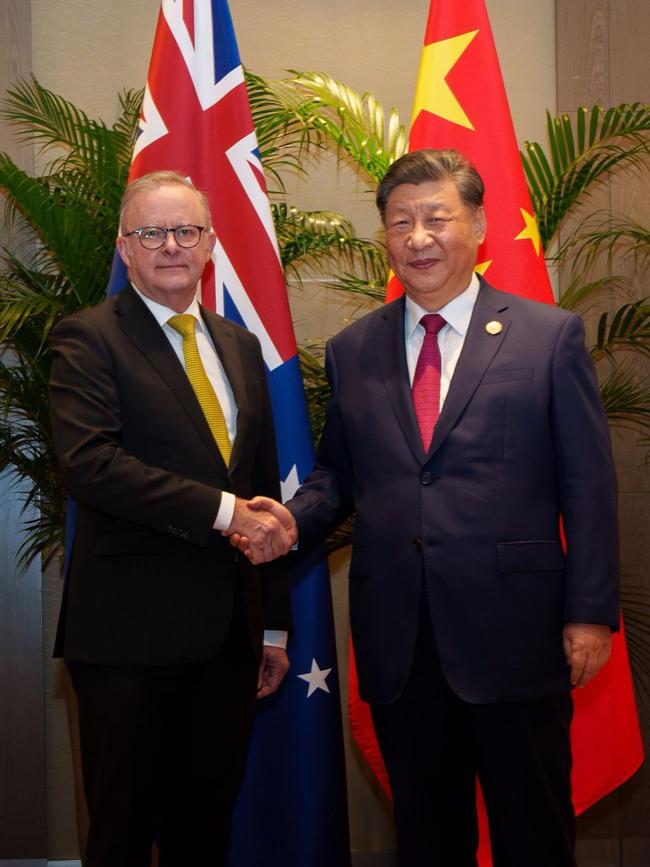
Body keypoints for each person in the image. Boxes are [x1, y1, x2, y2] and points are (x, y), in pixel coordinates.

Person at [236, 149, 619, 867]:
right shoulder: (355, 348)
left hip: (519, 637)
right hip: (401, 643)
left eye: (437, 218)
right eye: (400, 221)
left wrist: (589, 611)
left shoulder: (548, 336)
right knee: (427, 836)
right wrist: (290, 519)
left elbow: (589, 486)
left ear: (477, 225)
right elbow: (341, 474)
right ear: (385, 235)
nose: (418, 237)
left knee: (532, 832)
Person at [49, 170, 296, 867]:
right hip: (126, 643)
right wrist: (225, 514)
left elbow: (263, 491)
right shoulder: (89, 337)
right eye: (151, 232)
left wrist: (272, 623)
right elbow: (92, 465)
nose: (170, 246)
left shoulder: (239, 346)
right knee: (121, 838)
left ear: (210, 244)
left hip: (228, 642)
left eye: (186, 231)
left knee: (203, 834)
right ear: (126, 248)